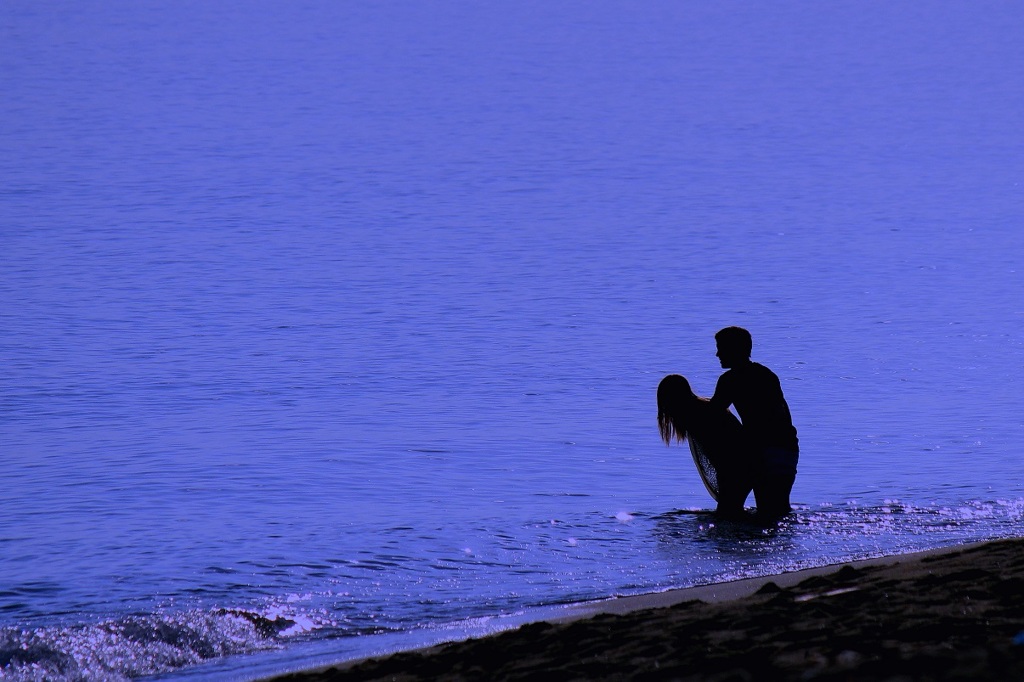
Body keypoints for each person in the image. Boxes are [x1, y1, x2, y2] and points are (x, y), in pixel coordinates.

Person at [709, 326, 799, 521]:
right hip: (787, 448)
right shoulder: (766, 374)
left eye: (721, 348)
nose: (717, 354)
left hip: (763, 451)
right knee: (777, 509)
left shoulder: (730, 380)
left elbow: (713, 413)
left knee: (744, 510)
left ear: (734, 349)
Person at [657, 374, 754, 518]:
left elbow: (722, 455)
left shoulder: (697, 415)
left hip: (740, 467)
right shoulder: (701, 408)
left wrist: (726, 484)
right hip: (745, 465)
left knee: (728, 515)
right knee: (731, 513)